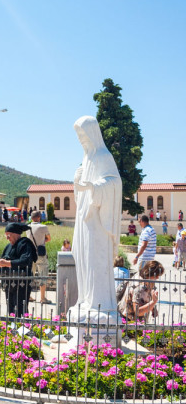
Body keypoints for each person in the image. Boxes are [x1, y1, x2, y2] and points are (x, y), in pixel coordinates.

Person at [69, 116, 122, 322]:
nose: (81, 138)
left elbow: (114, 184)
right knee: (83, 259)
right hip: (84, 220)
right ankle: (85, 300)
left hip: (98, 223)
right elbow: (81, 191)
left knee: (95, 261)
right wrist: (77, 183)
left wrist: (92, 186)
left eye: (83, 134)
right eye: (78, 135)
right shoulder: (87, 158)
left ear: (92, 133)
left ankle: (99, 303)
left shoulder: (103, 155)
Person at [0, 223, 36, 317]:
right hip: (9, 282)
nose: (7, 238)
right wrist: (0, 261)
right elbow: (6, 259)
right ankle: (12, 329)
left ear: (16, 234)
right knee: (11, 309)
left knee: (21, 309)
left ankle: (22, 328)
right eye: (6, 236)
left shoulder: (25, 243)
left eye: (9, 235)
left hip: (22, 283)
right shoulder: (8, 247)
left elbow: (25, 260)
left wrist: (6, 263)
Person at [26, 211, 52, 304]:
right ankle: (42, 298)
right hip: (40, 254)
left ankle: (28, 296)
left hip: (30, 254)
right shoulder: (43, 227)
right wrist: (42, 240)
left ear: (31, 218)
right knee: (43, 274)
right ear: (39, 217)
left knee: (30, 275)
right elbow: (49, 238)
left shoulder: (27, 228)